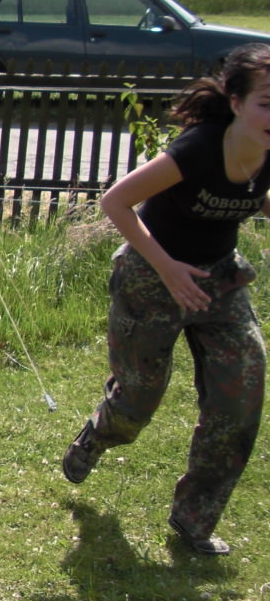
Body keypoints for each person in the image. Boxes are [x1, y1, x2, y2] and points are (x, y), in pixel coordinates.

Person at [63, 45, 270, 556]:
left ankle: (194, 520)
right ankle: (98, 434)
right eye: (266, 103)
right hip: (150, 278)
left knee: (241, 397)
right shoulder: (198, 148)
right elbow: (116, 200)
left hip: (218, 279)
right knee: (137, 401)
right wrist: (167, 267)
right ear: (236, 102)